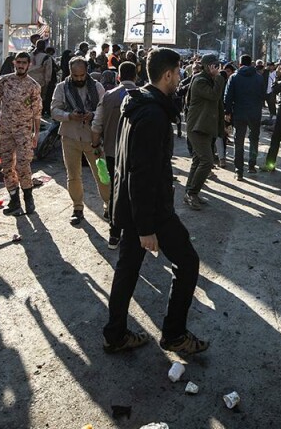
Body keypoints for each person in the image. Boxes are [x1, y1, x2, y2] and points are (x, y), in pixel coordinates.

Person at [102, 47, 208, 356]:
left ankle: (115, 334)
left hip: (132, 206)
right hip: (149, 210)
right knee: (188, 262)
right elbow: (142, 173)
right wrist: (147, 227)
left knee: (127, 269)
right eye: (178, 73)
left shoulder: (136, 101)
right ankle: (174, 334)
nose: (180, 77)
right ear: (168, 75)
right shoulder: (152, 114)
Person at [52, 56, 109, 225]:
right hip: (70, 136)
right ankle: (77, 208)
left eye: (82, 76)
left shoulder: (97, 87)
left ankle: (109, 206)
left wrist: (92, 114)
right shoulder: (61, 87)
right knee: (73, 175)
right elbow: (54, 110)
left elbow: (104, 109)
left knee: (102, 174)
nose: (78, 79)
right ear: (70, 73)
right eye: (75, 76)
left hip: (93, 138)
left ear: (86, 72)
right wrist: (69, 116)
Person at [0, 51, 41, 216]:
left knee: (23, 165)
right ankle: (14, 199)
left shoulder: (33, 86)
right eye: (19, 62)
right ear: (14, 63)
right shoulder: (4, 81)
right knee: (7, 165)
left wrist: (36, 134)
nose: (21, 65)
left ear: (29, 65)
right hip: (6, 131)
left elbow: (37, 112)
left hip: (24, 132)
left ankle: (28, 197)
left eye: (24, 63)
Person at [92, 61, 139, 249]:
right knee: (135, 192)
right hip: (136, 154)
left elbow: (97, 125)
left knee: (116, 194)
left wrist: (95, 145)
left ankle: (114, 234)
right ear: (136, 76)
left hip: (113, 154)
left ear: (118, 76)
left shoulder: (108, 96)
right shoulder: (143, 96)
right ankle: (136, 233)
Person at [183, 54, 222, 210]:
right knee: (207, 161)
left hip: (203, 126)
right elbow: (214, 96)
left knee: (198, 160)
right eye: (215, 65)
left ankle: (190, 192)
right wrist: (218, 78)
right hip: (197, 127)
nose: (217, 68)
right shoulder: (200, 80)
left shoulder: (207, 80)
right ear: (208, 66)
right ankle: (192, 193)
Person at [223, 54, 265, 180]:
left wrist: (228, 112)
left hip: (239, 113)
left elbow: (228, 97)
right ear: (251, 63)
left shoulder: (234, 77)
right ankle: (252, 165)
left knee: (239, 141)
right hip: (255, 113)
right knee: (254, 139)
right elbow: (263, 95)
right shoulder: (259, 77)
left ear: (240, 64)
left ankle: (239, 171)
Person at [26, 34, 54, 116]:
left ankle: (29, 114)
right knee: (39, 99)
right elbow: (48, 71)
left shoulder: (30, 55)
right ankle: (37, 117)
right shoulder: (47, 57)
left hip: (29, 80)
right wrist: (47, 82)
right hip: (41, 81)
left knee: (29, 98)